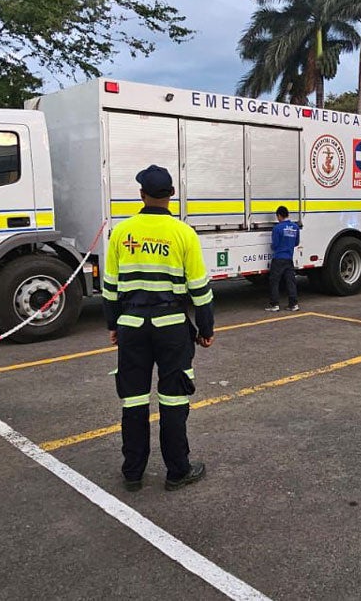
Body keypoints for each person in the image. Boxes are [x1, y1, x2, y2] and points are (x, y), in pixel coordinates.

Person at [103, 165, 213, 492]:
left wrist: (114, 325)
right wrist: (205, 328)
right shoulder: (183, 233)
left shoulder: (123, 232)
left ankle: (133, 472)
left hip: (132, 326)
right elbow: (199, 289)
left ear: (141, 195)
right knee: (173, 400)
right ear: (171, 196)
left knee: (134, 400)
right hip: (172, 328)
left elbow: (110, 288)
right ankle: (178, 470)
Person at [266, 205, 301, 312]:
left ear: (279, 216)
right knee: (291, 281)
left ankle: (274, 304)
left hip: (278, 258)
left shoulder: (277, 228)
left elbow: (275, 245)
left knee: (274, 281)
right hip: (289, 258)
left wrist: (273, 247)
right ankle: (293, 304)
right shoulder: (295, 227)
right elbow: (296, 242)